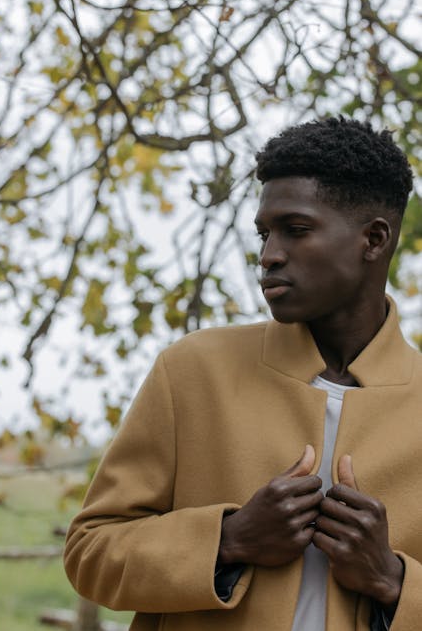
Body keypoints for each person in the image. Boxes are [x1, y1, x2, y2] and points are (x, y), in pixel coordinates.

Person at [64, 117, 422, 631]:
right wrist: (229, 540)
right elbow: (89, 553)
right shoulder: (191, 371)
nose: (269, 256)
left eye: (296, 231)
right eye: (264, 233)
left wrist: (392, 580)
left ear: (374, 239)